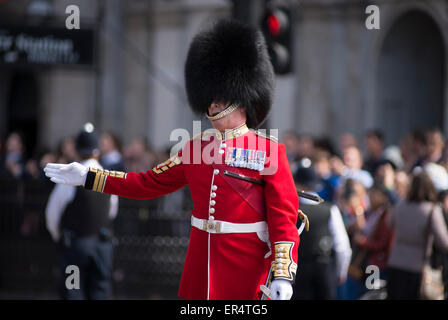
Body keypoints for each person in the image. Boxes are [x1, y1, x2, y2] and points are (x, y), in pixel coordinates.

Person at [44, 20, 300, 300]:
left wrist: (283, 273)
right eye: (210, 99)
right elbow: (146, 183)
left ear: (241, 98)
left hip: (246, 265)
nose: (212, 105)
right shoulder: (195, 149)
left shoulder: (269, 151)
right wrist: (89, 177)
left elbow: (282, 219)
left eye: (220, 98)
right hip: (200, 264)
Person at [45, 124, 118, 299]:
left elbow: (52, 214)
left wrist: (60, 236)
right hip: (101, 245)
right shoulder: (108, 175)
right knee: (99, 291)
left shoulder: (70, 176)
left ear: (77, 150)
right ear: (98, 151)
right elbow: (112, 211)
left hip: (75, 246)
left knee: (73, 290)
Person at [292, 159, 352, 300]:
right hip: (323, 270)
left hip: (296, 271)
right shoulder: (330, 209)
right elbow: (343, 247)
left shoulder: (291, 210)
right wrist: (340, 273)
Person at [387, 171, 448, 300]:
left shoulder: (400, 205)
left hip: (396, 262)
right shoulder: (431, 210)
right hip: (417, 267)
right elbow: (443, 242)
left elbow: (389, 223)